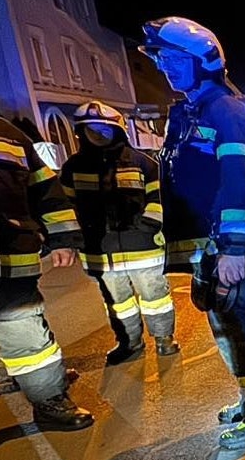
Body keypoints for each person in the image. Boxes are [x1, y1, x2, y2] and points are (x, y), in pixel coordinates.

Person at [139, 18, 245, 450]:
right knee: (231, 333)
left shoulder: (226, 113)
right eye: (162, 59)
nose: (166, 67)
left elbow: (237, 183)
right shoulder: (192, 112)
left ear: (204, 61)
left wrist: (234, 248)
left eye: (175, 58)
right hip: (212, 250)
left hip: (227, 251)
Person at [0, 45, 94, 440]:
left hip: (6, 264)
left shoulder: (5, 135)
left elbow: (45, 190)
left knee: (29, 340)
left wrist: (64, 236)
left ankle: (50, 403)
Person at [60, 100, 179, 365]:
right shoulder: (72, 169)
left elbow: (161, 197)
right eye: (91, 130)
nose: (98, 135)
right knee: (118, 304)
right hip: (100, 252)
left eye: (103, 130)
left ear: (119, 131)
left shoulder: (143, 164)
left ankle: (164, 339)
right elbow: (65, 208)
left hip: (143, 247)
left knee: (156, 298)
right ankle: (129, 343)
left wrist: (150, 224)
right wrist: (73, 238)